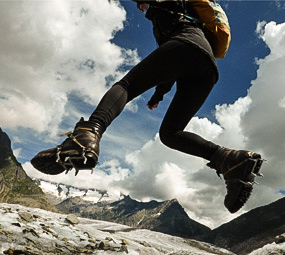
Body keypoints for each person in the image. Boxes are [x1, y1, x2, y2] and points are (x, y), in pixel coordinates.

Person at [31, 0, 263, 213]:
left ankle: (87, 135)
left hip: (186, 46)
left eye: (142, 6)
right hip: (206, 68)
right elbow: (172, 64)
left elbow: (176, 53)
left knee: (126, 86)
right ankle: (230, 160)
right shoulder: (182, 18)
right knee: (170, 134)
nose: (142, 10)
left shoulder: (165, 10)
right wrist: (159, 94)